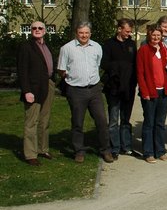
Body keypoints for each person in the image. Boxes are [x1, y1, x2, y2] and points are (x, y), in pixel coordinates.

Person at [57, 22, 113, 164]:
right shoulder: (67, 48)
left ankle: (105, 150)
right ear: (76, 33)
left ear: (90, 33)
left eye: (86, 33)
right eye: (81, 33)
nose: (84, 35)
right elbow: (62, 70)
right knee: (77, 122)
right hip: (75, 90)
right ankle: (79, 151)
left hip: (94, 89)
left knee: (101, 121)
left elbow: (98, 65)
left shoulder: (96, 47)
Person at [17, 21, 55, 166]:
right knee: (31, 121)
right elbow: (22, 70)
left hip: (48, 85)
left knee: (45, 120)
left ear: (45, 31)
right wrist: (26, 91)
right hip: (33, 88)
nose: (37, 30)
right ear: (31, 30)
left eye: (40, 28)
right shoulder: (26, 47)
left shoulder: (46, 46)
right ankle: (30, 154)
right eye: (34, 28)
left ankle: (42, 148)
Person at [137, 26, 167, 163]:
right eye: (154, 35)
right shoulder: (143, 50)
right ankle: (148, 152)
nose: (156, 38)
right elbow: (140, 73)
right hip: (150, 92)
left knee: (160, 123)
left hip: (163, 91)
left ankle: (160, 151)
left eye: (159, 36)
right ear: (149, 36)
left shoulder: (163, 49)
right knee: (149, 123)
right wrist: (145, 91)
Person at [101, 19, 137, 160]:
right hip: (114, 87)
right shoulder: (109, 44)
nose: (129, 34)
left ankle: (126, 147)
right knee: (114, 119)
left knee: (126, 119)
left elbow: (135, 64)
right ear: (119, 29)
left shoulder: (132, 44)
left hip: (128, 87)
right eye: (127, 31)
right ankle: (114, 148)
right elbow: (104, 63)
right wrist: (119, 69)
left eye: (130, 31)